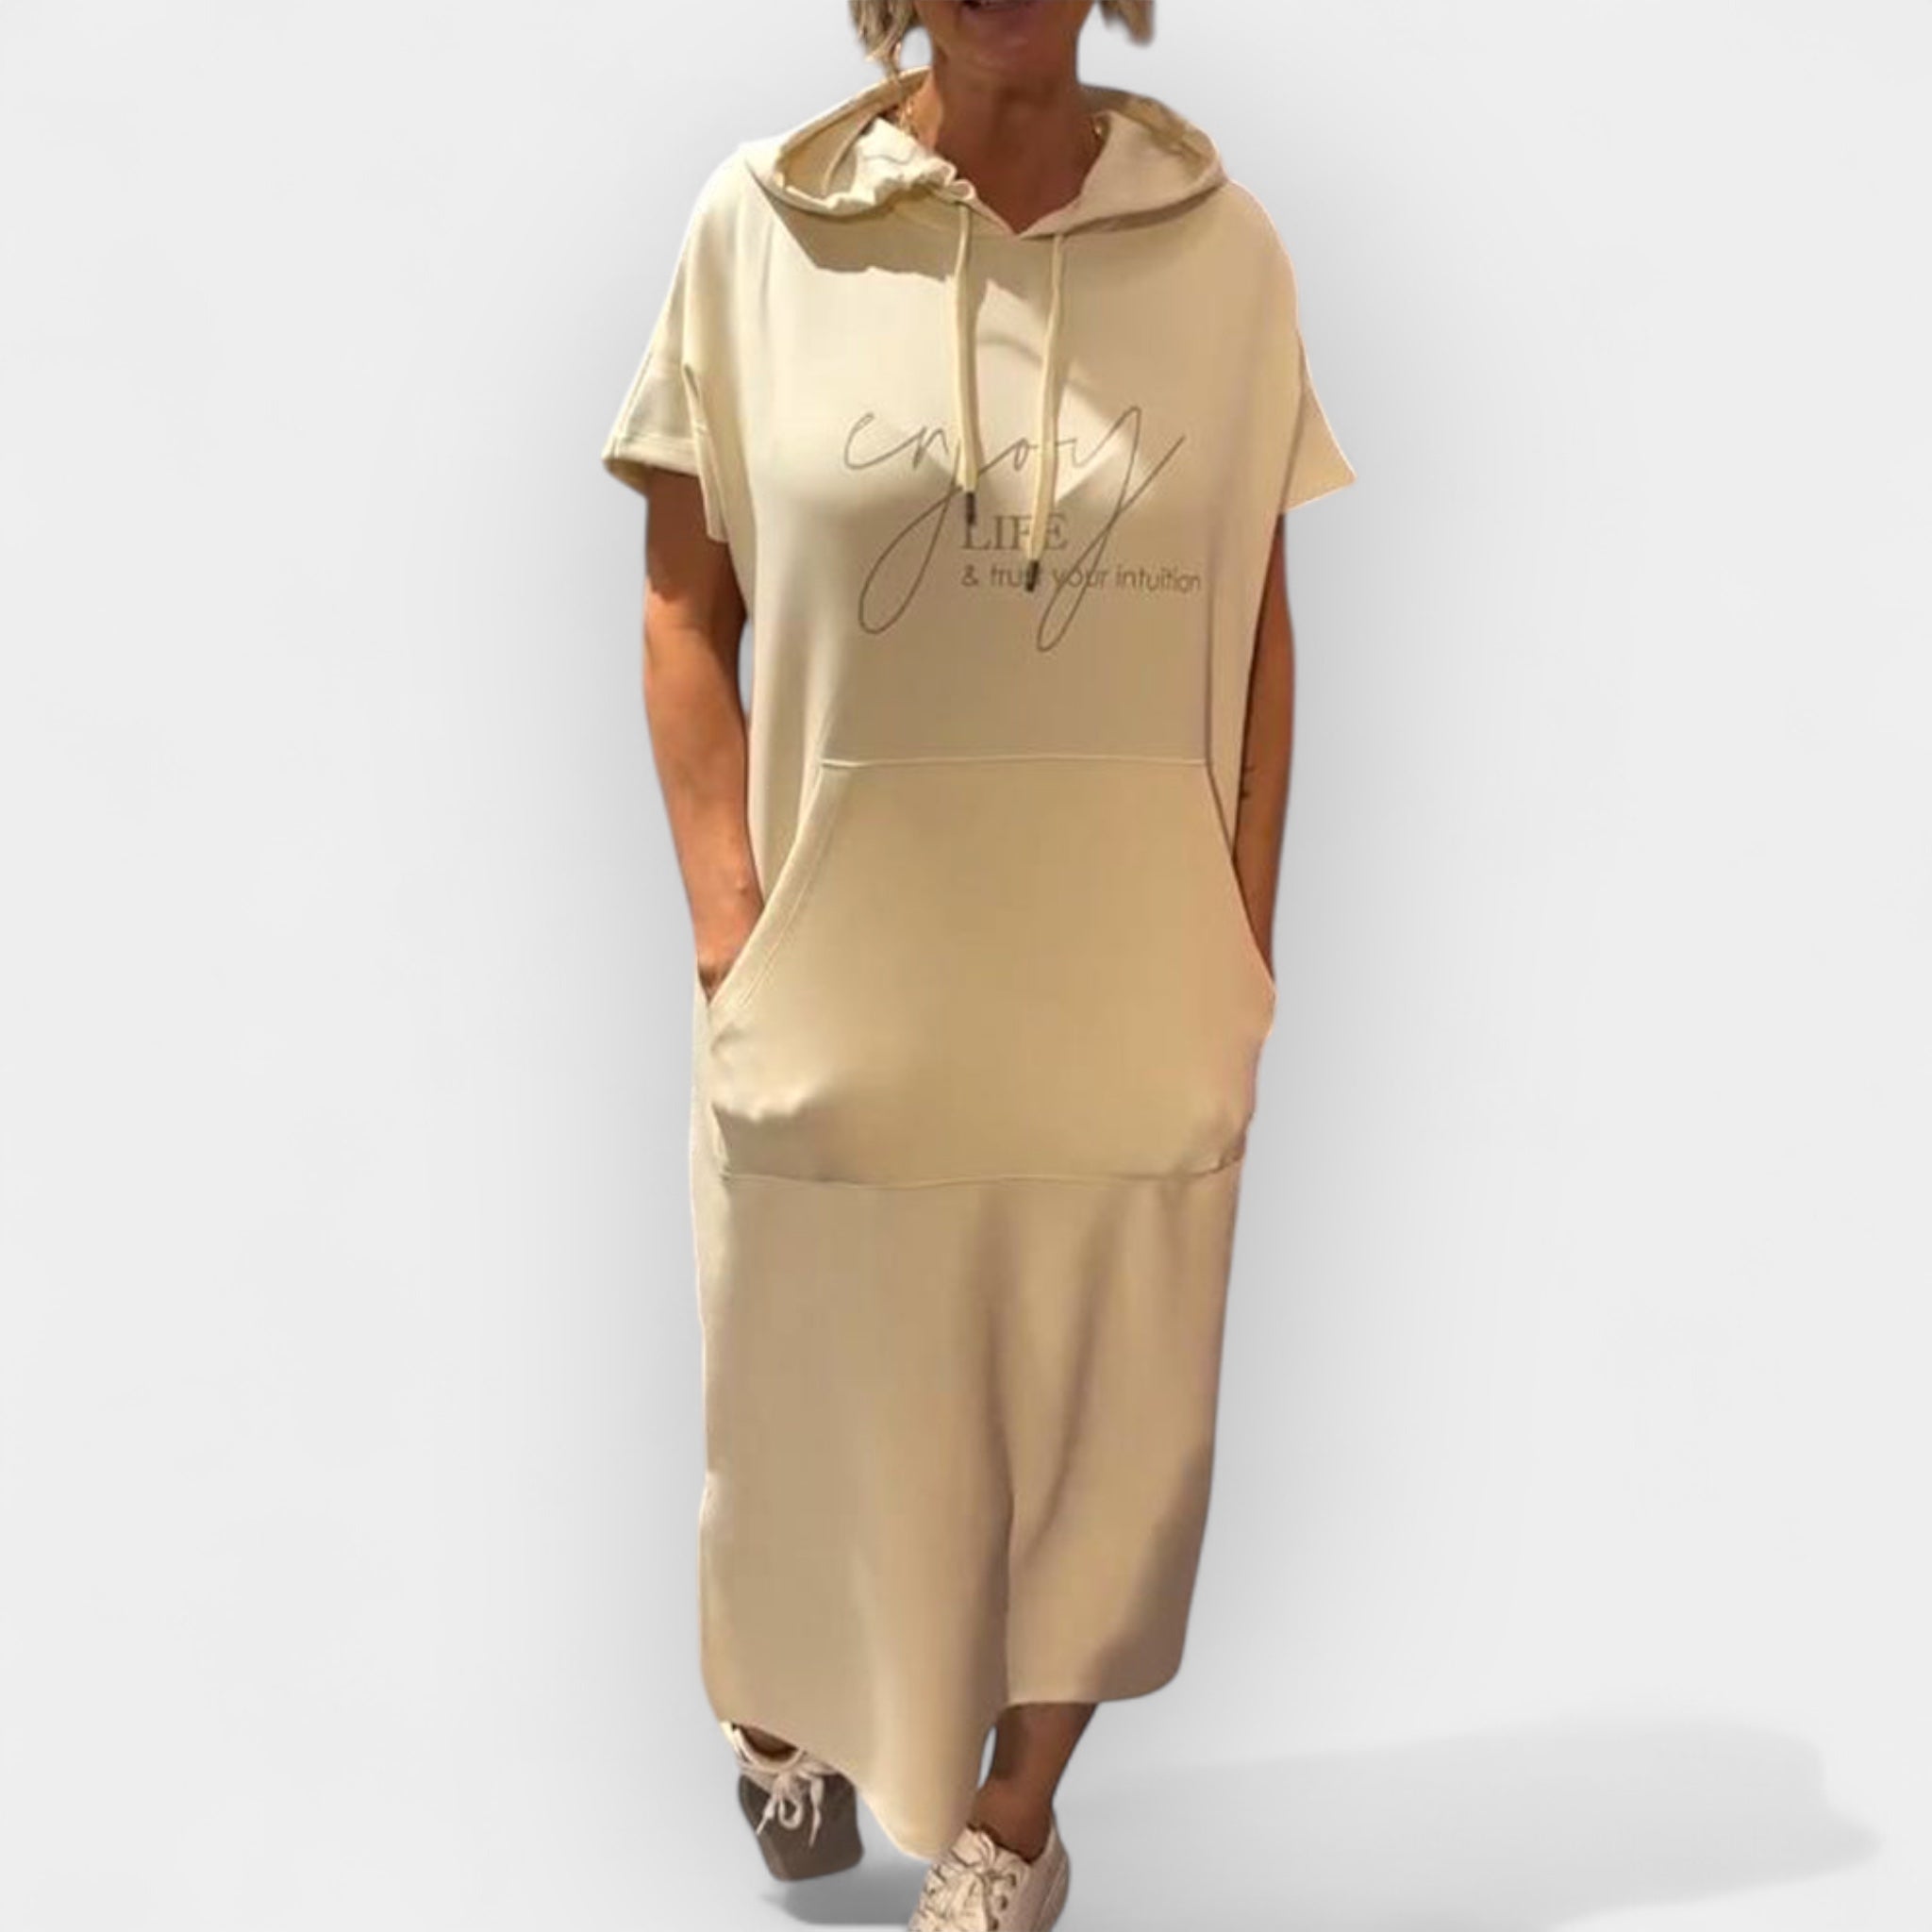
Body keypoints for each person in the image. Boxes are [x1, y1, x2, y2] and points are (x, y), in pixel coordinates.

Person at [598, 1, 1356, 1924]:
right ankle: (787, 1702)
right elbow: (684, 609)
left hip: (1130, 1004)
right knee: (809, 1414)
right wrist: (731, 931)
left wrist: (1243, 946)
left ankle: (1011, 1819)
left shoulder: (1228, 254)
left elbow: (1260, 635)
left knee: (1106, 1435)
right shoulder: (761, 230)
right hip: (842, 1005)